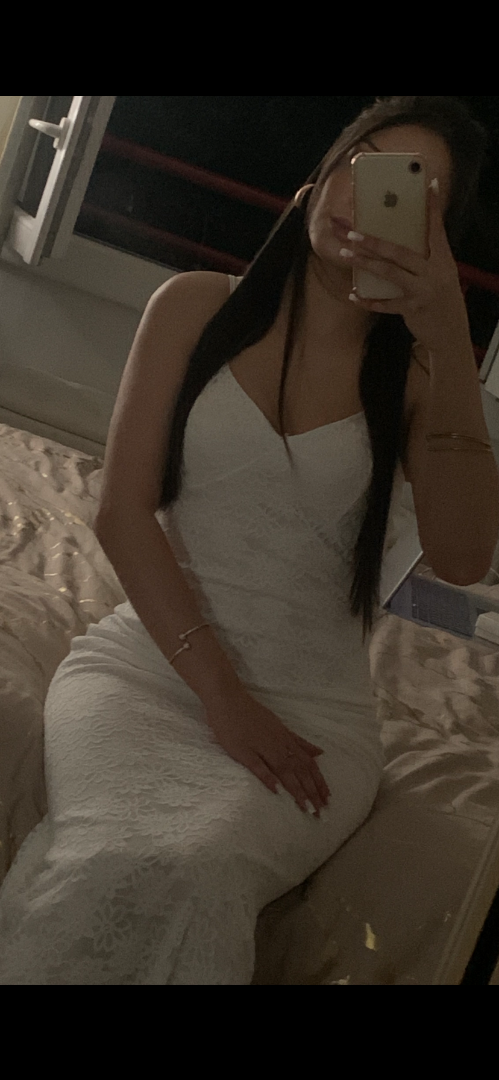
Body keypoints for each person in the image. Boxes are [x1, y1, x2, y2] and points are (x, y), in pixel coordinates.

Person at [0, 96, 492, 984]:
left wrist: (450, 340)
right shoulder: (193, 307)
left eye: (406, 189)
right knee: (111, 847)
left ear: (434, 237)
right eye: (359, 161)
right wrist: (222, 698)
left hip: (314, 721)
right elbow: (121, 511)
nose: (362, 194)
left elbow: (463, 558)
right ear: (318, 177)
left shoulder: (420, 377)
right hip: (145, 670)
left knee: (196, 865)